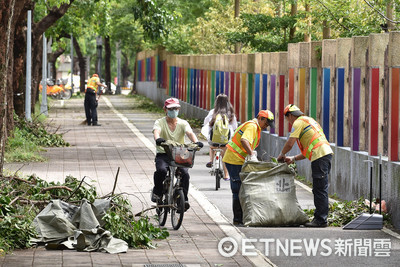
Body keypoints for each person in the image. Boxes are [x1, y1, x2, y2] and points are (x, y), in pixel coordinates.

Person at [277, 104, 333, 228]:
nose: (289, 122)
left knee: (320, 189)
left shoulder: (297, 123)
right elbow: (310, 148)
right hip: (324, 154)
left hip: (320, 156)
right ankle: (320, 217)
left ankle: (321, 220)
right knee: (320, 188)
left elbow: (290, 143)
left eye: (288, 119)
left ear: (290, 115)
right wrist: (293, 158)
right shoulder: (309, 120)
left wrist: (282, 154)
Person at [222, 110, 275, 226]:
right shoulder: (252, 126)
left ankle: (241, 218)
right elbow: (244, 140)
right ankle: (238, 219)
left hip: (237, 159)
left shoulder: (255, 127)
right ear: (260, 118)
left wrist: (250, 153)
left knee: (241, 188)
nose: (266, 126)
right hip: (234, 160)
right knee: (238, 189)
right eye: (266, 123)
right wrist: (251, 154)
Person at [151, 97, 204, 210]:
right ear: (165, 109)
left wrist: (196, 142)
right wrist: (158, 139)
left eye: (175, 108)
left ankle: (183, 199)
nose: (173, 111)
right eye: (171, 109)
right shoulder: (159, 122)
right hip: (163, 153)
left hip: (179, 154)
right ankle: (157, 192)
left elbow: (189, 133)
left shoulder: (183, 123)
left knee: (185, 174)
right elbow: (157, 131)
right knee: (161, 170)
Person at [201, 94, 238, 180]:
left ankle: (211, 160)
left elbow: (206, 122)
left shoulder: (213, 112)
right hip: (226, 140)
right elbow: (234, 126)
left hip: (214, 139)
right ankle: (226, 175)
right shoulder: (230, 113)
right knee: (224, 155)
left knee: (211, 147)